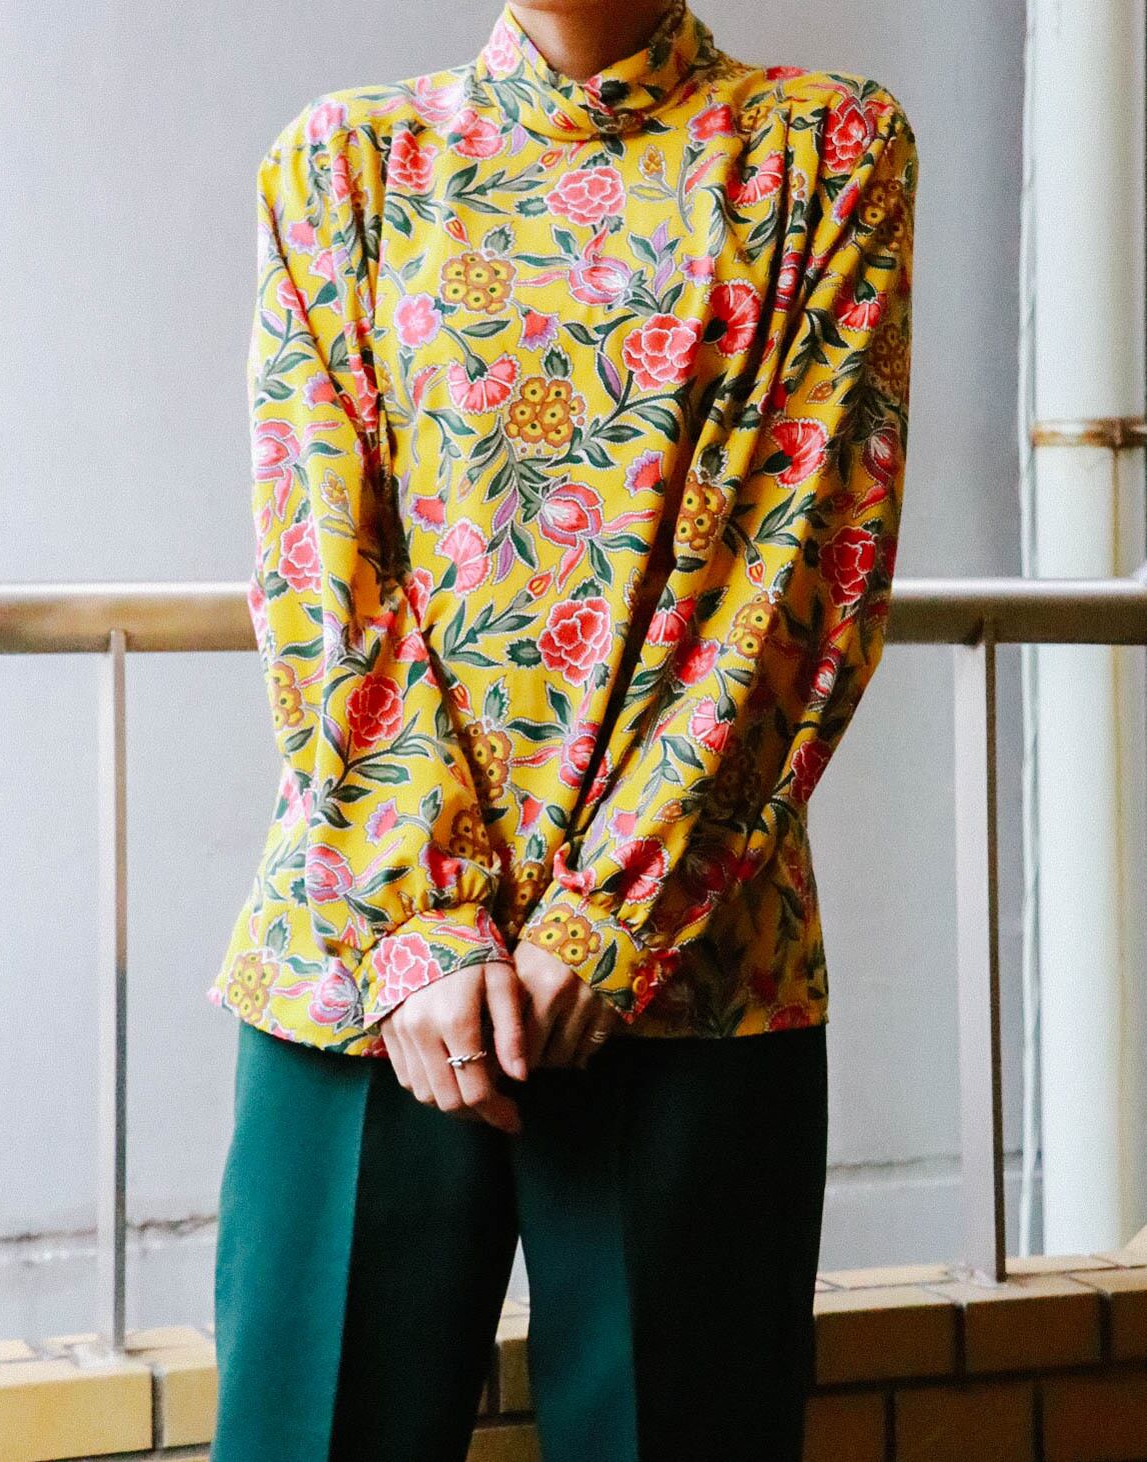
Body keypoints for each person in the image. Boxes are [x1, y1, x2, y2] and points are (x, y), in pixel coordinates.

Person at [207, 1, 919, 1457]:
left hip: (698, 957)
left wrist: (612, 917)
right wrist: (419, 918)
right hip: (365, 962)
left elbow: (801, 568)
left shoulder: (824, 149)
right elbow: (321, 567)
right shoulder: (347, 162)